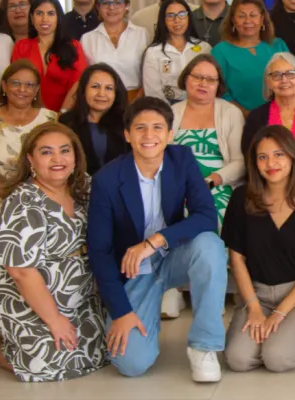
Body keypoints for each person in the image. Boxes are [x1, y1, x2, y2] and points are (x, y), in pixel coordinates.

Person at [87, 96, 229, 382]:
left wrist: (154, 241)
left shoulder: (182, 159)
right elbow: (99, 251)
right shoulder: (107, 179)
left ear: (170, 134)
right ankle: (144, 314)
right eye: (140, 128)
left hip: (172, 254)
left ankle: (204, 347)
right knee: (131, 364)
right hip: (133, 270)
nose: (149, 135)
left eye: (157, 127)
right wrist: (121, 312)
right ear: (127, 135)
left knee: (210, 245)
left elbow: (205, 216)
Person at [0, 122, 108, 381]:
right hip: (25, 291)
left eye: (65, 150)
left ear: (75, 156)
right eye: (47, 152)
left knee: (100, 354)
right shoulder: (22, 202)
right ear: (30, 159)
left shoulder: (85, 186)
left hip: (78, 291)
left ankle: (25, 338)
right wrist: (55, 319)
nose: (58, 159)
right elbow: (21, 272)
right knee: (49, 365)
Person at [223, 125, 295, 372]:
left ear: (293, 156)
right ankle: (277, 337)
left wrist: (280, 314)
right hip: (257, 295)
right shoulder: (241, 198)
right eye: (262, 157)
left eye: (279, 154)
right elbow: (237, 259)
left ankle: (293, 335)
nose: (271, 163)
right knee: (238, 360)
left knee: (277, 358)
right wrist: (253, 308)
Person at [0, 60, 58, 245]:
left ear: (36, 89)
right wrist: (9, 193)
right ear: (4, 85)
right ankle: (4, 265)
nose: (22, 89)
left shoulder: (50, 119)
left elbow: (58, 162)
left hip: (44, 190)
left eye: (29, 85)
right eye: (16, 83)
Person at [170, 54, 246, 228]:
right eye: (197, 77)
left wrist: (210, 181)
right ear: (186, 78)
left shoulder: (231, 113)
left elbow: (240, 163)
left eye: (211, 80)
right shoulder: (171, 113)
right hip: (179, 186)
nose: (203, 83)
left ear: (218, 85)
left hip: (219, 184)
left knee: (217, 215)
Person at [212, 0, 290, 112]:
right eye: (241, 16)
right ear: (233, 20)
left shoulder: (278, 45)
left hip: (281, 115)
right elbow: (219, 91)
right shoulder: (220, 51)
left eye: (253, 15)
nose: (248, 20)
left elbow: (292, 81)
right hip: (237, 117)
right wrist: (247, 116)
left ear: (262, 19)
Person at [12, 0, 89, 113]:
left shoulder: (73, 46)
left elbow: (78, 84)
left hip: (67, 115)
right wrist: (40, 116)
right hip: (28, 113)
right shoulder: (21, 47)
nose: (44, 19)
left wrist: (62, 114)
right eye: (39, 13)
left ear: (58, 18)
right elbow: (17, 83)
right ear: (31, 18)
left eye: (50, 13)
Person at [81, 0, 149, 99]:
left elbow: (150, 74)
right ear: (98, 7)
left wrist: (137, 103)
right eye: (105, 3)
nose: (111, 8)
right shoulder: (87, 39)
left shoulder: (142, 34)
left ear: (126, 6)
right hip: (100, 99)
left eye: (117, 3)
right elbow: (84, 79)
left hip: (136, 99)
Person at [59, 64, 129, 175]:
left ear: (116, 93)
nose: (101, 94)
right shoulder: (66, 123)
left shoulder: (127, 122)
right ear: (83, 90)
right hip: (79, 183)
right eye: (95, 86)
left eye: (108, 88)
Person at [141, 0, 207, 103]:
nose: (177, 20)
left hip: (200, 103)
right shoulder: (153, 52)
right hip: (166, 106)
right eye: (170, 16)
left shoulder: (204, 48)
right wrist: (169, 111)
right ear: (163, 20)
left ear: (188, 17)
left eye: (182, 14)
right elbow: (153, 92)